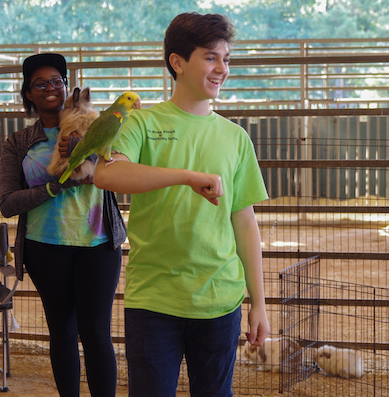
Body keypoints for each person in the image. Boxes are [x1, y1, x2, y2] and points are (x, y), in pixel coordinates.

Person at [93, 12, 270, 397]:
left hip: (220, 300)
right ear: (178, 62)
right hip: (154, 300)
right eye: (210, 57)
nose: (222, 68)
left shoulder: (235, 137)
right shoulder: (141, 123)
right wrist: (186, 176)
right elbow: (108, 176)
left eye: (226, 59)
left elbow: (244, 223)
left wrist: (258, 301)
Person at [0, 53, 126, 397]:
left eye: (57, 81)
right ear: (29, 93)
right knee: (62, 332)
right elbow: (8, 203)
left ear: (68, 87)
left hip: (98, 244)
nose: (50, 89)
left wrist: (88, 167)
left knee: (97, 332)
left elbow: (118, 174)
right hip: (46, 247)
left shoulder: (100, 125)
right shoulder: (18, 143)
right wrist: (55, 186)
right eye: (40, 84)